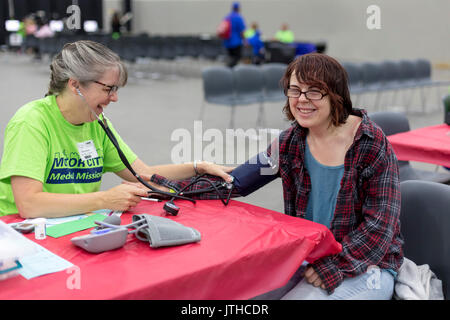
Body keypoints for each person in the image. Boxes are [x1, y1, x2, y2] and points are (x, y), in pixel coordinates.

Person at [149, 53, 404, 299]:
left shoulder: (371, 144)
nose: (302, 99)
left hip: (369, 265)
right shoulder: (290, 142)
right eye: (295, 90)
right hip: (309, 256)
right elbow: (235, 183)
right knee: (238, 293)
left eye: (314, 91)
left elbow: (379, 228)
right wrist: (166, 189)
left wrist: (335, 265)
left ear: (336, 95)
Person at [0, 40, 233, 219]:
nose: (115, 98)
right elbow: (29, 204)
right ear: (75, 85)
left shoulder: (96, 123)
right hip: (26, 235)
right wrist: (104, 199)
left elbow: (142, 173)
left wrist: (197, 167)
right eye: (108, 89)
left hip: (71, 224)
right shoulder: (31, 123)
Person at [222, 2, 246, 68]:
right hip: (236, 42)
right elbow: (242, 31)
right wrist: (245, 40)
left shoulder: (227, 17)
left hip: (227, 41)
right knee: (237, 57)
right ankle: (228, 69)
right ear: (238, 8)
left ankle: (229, 70)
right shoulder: (239, 18)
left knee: (231, 57)